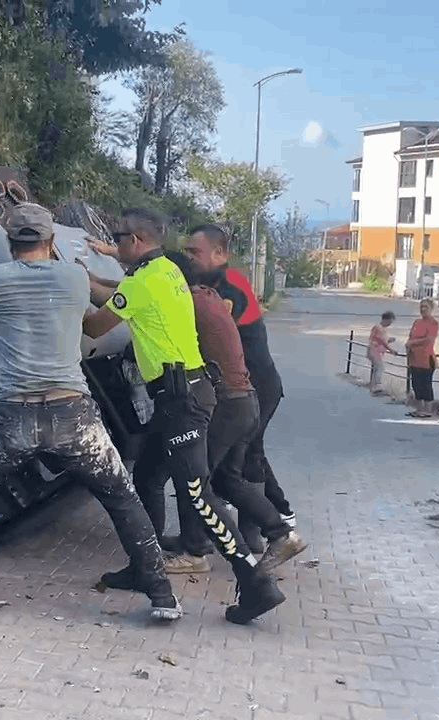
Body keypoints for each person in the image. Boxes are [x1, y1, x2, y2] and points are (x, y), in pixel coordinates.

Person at [0, 204, 182, 621]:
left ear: (9, 242)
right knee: (121, 497)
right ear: (51, 241)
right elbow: (105, 300)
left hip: (12, 417)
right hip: (73, 412)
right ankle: (163, 598)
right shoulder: (73, 277)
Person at [81, 208, 284, 625]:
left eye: (118, 238)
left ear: (135, 241)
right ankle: (145, 566)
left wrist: (62, 296)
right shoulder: (167, 272)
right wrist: (87, 283)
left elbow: (97, 326)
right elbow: (119, 295)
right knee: (148, 477)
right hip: (181, 395)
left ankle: (257, 582)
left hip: (183, 401)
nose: (116, 245)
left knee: (198, 494)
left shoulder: (142, 281)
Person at [181, 224, 296, 550]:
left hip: (255, 385)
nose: (191, 257)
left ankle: (262, 531)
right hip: (243, 385)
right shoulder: (210, 282)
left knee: (237, 460)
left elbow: (209, 317)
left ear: (220, 254)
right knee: (242, 458)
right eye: (187, 252)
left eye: (196, 252)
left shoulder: (230, 285)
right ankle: (261, 532)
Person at [405, 299, 439, 418]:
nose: (423, 309)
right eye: (421, 306)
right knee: (416, 384)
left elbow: (429, 339)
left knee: (426, 384)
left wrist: (412, 343)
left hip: (426, 358)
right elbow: (411, 336)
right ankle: (419, 409)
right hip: (414, 357)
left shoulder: (433, 323)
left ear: (431, 308)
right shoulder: (417, 322)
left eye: (426, 307)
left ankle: (428, 410)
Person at [368, 311, 399, 395]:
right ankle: (377, 387)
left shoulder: (381, 329)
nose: (391, 324)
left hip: (376, 351)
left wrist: (389, 340)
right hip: (374, 351)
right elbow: (381, 341)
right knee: (380, 367)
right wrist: (391, 350)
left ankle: (373, 386)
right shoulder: (378, 328)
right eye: (391, 321)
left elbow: (381, 340)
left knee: (377, 368)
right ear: (387, 319)